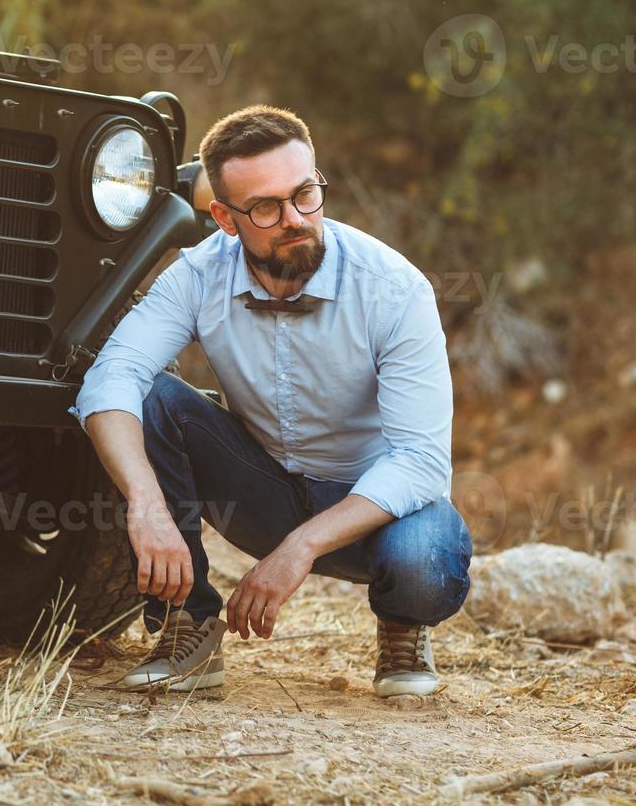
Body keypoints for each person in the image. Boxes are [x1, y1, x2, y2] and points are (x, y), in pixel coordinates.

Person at [71, 105, 472, 698]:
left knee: (424, 556)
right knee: (151, 398)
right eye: (265, 207)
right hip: (259, 491)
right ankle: (188, 627)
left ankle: (404, 627)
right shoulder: (196, 276)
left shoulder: (394, 287)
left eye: (305, 193)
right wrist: (146, 503)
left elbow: (420, 460)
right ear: (225, 219)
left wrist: (300, 547)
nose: (294, 219)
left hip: (372, 512)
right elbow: (110, 379)